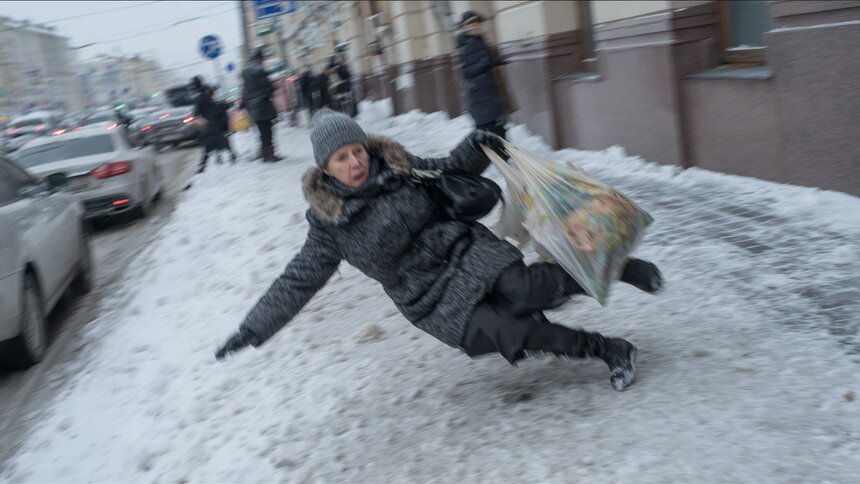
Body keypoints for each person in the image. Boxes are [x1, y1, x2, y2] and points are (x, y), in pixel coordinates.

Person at [215, 109, 663, 391]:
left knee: (529, 288)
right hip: (427, 295)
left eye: (357, 150)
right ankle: (610, 350)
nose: (355, 163)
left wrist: (478, 141)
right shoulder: (328, 224)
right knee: (515, 334)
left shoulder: (400, 168)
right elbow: (298, 279)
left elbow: (450, 169)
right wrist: (253, 328)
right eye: (341, 158)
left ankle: (618, 266)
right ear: (325, 168)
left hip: (466, 252)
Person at [456, 10, 513, 140]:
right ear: (465, 26)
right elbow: (466, 71)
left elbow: (486, 58)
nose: (474, 24)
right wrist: (485, 63)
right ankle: (496, 156)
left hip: (490, 92)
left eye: (476, 21)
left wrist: (496, 61)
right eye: (471, 23)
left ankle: (501, 155)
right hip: (481, 95)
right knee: (490, 130)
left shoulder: (479, 38)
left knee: (498, 128)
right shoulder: (466, 43)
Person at [241, 47, 282, 162]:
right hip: (263, 106)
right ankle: (270, 155)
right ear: (260, 58)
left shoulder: (245, 72)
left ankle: (265, 154)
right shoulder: (259, 70)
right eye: (263, 58)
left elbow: (244, 92)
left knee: (261, 132)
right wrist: (273, 87)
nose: (263, 61)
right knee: (267, 131)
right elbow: (267, 87)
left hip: (253, 107)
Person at [191, 77, 236, 173]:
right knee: (222, 140)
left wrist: (199, 119)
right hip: (215, 121)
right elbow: (215, 105)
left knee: (208, 145)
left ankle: (202, 166)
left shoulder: (198, 97)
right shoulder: (205, 92)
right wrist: (226, 105)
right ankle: (232, 155)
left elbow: (197, 112)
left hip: (208, 124)